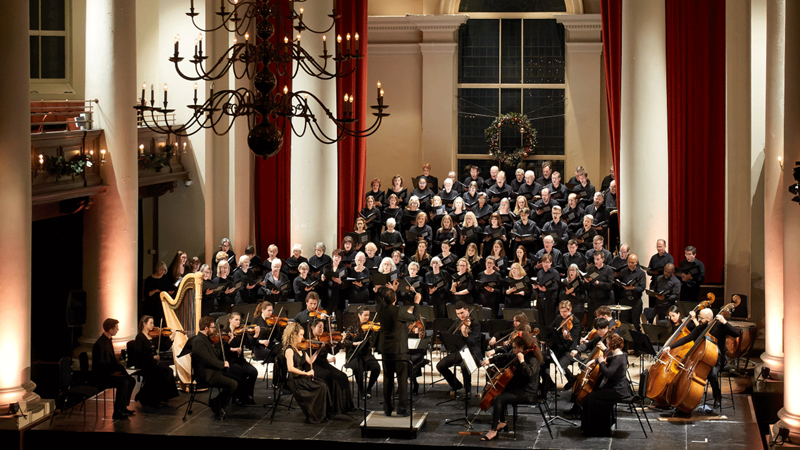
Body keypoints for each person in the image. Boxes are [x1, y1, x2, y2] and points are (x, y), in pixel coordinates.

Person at [479, 333, 543, 441]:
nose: (513, 350)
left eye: (514, 348)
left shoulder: (532, 359)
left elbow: (529, 376)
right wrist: (490, 361)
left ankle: (493, 430)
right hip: (521, 388)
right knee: (502, 390)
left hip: (528, 393)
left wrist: (522, 361)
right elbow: (505, 356)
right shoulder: (520, 353)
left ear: (522, 347)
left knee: (498, 399)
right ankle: (502, 422)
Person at [376, 285, 421, 416]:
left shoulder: (380, 309)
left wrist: (387, 290)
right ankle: (402, 408)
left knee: (388, 378)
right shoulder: (398, 311)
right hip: (399, 350)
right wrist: (416, 302)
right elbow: (414, 317)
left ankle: (388, 408)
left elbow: (378, 298)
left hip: (386, 349)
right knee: (401, 380)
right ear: (395, 299)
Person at [580, 333, 630, 437]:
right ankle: (599, 427)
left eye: (607, 342)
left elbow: (608, 372)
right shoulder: (622, 354)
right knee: (594, 395)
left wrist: (602, 362)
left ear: (611, 344)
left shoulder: (618, 359)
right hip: (619, 388)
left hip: (617, 391)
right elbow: (611, 358)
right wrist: (595, 360)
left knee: (589, 398)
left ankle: (592, 429)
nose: (606, 344)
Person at [282, 322, 331, 423]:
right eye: (301, 335)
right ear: (293, 335)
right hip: (295, 381)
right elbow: (290, 368)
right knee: (320, 387)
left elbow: (311, 361)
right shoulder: (289, 350)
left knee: (323, 385)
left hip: (302, 378)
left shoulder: (301, 349)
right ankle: (314, 415)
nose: (302, 337)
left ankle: (322, 414)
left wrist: (318, 350)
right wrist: (306, 373)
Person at [191, 316, 237, 419]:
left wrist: (223, 343)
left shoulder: (205, 339)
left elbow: (214, 354)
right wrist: (222, 364)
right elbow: (207, 359)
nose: (214, 330)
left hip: (212, 370)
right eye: (212, 327)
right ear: (206, 328)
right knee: (233, 384)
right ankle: (216, 404)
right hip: (206, 375)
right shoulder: (199, 341)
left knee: (236, 378)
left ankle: (218, 404)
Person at [92, 318, 136, 419]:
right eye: (116, 328)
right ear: (110, 330)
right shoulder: (100, 344)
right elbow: (100, 365)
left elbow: (111, 361)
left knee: (131, 380)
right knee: (123, 382)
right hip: (101, 376)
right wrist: (112, 373)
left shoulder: (108, 341)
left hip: (109, 373)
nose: (118, 329)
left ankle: (123, 407)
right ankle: (117, 412)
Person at [308, 319, 355, 413]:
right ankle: (333, 408)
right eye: (319, 327)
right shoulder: (309, 342)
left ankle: (345, 406)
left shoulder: (324, 339)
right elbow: (311, 360)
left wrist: (341, 342)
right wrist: (321, 350)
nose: (322, 329)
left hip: (324, 365)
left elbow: (333, 351)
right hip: (316, 368)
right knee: (332, 378)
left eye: (323, 327)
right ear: (313, 328)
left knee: (343, 376)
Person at [437, 301, 482, 398]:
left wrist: (465, 334)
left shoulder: (475, 323)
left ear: (467, 310)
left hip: (472, 352)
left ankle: (468, 391)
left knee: (464, 365)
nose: (460, 316)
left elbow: (473, 342)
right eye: (458, 314)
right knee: (440, 366)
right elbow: (450, 333)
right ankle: (456, 385)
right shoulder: (458, 321)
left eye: (462, 313)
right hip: (461, 351)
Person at [132, 315, 179, 407]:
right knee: (157, 374)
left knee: (168, 371)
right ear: (144, 324)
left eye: (153, 323)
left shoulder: (153, 336)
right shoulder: (140, 337)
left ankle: (163, 396)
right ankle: (149, 397)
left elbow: (163, 347)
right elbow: (139, 353)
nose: (153, 325)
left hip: (152, 363)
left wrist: (172, 338)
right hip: (144, 363)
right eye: (151, 323)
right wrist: (152, 357)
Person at [344, 307, 381, 399]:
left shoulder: (370, 328)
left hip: (366, 353)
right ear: (359, 315)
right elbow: (345, 341)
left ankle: (368, 389)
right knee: (358, 368)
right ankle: (361, 391)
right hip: (354, 354)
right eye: (365, 315)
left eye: (368, 315)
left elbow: (372, 344)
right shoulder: (352, 328)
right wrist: (353, 343)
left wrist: (372, 333)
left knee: (376, 367)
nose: (367, 317)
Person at [223, 312, 258, 404]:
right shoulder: (225, 333)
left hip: (240, 360)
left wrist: (255, 336)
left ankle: (248, 395)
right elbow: (222, 350)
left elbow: (250, 345)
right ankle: (237, 396)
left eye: (239, 320)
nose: (239, 322)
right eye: (236, 320)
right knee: (240, 372)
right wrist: (230, 343)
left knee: (253, 372)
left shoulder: (241, 332)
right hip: (229, 361)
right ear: (230, 320)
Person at [615, 254, 646, 327]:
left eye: (632, 262)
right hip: (624, 300)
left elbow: (642, 288)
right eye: (629, 262)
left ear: (636, 262)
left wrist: (633, 288)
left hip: (635, 302)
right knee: (624, 324)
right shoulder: (623, 272)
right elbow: (620, 286)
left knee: (635, 324)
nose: (630, 264)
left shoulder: (641, 273)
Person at [142, 261, 171, 325]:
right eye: (161, 269)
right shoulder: (149, 280)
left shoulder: (165, 279)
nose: (162, 272)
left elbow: (170, 290)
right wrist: (155, 291)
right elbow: (147, 294)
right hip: (151, 306)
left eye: (164, 270)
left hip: (162, 305)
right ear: (157, 269)